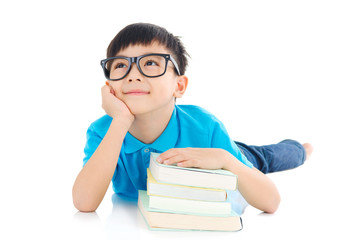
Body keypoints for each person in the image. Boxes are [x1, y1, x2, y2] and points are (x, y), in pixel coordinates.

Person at [72, 23, 313, 214]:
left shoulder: (206, 127)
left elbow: (271, 202)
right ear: (109, 86)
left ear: (179, 85)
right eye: (121, 65)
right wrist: (121, 120)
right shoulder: (103, 132)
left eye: (151, 63)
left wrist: (224, 159)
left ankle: (300, 149)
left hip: (219, 156)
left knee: (261, 158)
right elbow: (84, 203)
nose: (133, 75)